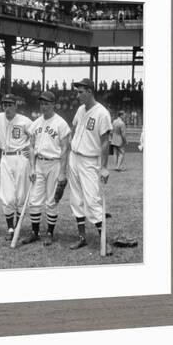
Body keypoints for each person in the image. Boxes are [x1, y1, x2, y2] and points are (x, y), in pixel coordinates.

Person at [68, 78, 113, 255]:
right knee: (75, 199)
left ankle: (104, 240)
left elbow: (105, 142)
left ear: (89, 91)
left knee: (92, 200)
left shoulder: (102, 113)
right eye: (77, 91)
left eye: (80, 92)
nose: (77, 95)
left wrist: (104, 167)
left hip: (89, 160)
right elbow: (75, 129)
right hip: (75, 157)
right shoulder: (80, 109)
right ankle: (81, 237)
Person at [22, 91, 70, 246]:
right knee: (34, 200)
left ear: (53, 104)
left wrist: (62, 172)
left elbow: (64, 149)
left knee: (51, 201)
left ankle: (49, 233)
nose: (44, 106)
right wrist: (32, 168)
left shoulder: (61, 123)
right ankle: (35, 233)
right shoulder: (35, 123)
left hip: (54, 163)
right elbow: (31, 146)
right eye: (42, 103)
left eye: (47, 103)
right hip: (39, 163)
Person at [0, 94, 32, 241]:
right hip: (5, 158)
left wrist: (30, 149)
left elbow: (36, 138)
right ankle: (10, 228)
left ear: (16, 105)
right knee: (7, 196)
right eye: (4, 105)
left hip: (21, 158)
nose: (7, 108)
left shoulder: (25, 121)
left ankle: (18, 226)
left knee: (21, 195)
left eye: (10, 104)